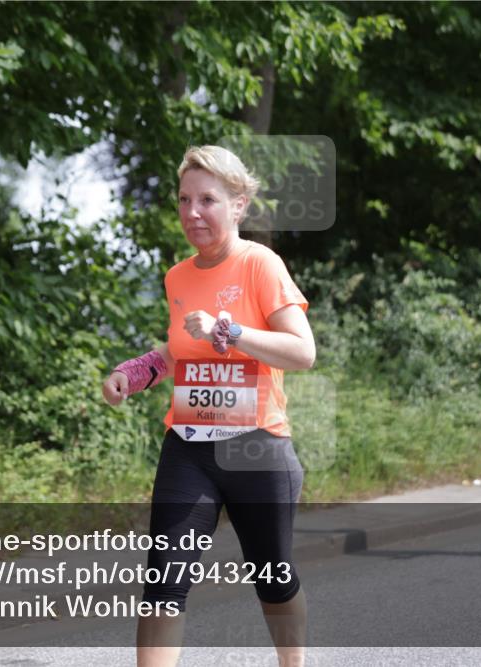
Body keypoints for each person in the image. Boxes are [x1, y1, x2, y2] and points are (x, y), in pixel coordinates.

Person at [102, 145, 315, 666]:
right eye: (184, 200)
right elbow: (180, 350)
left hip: (256, 449)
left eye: (208, 200)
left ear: (238, 205)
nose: (192, 212)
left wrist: (234, 331)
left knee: (273, 575)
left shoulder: (260, 264)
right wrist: (135, 372)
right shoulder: (178, 276)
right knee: (164, 578)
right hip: (190, 447)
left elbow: (302, 352)